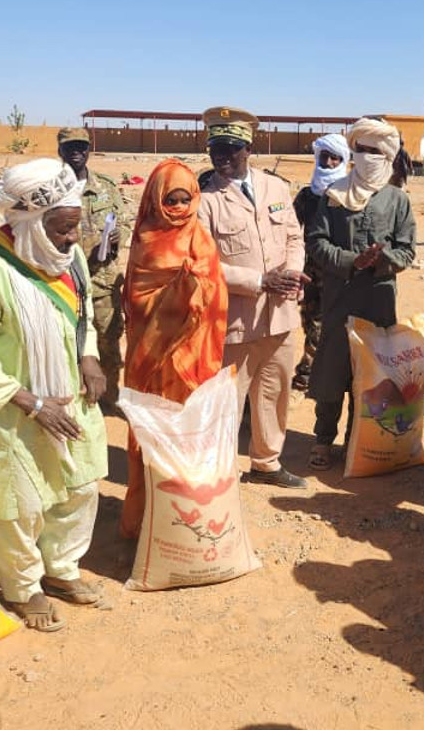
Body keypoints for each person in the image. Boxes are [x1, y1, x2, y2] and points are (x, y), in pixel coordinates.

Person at [0, 158, 108, 633]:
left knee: (79, 486)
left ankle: (61, 570)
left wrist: (89, 356)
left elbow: (80, 318)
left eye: (76, 227)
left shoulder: (70, 258)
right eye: (63, 229)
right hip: (12, 408)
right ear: (32, 221)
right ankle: (24, 587)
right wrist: (33, 404)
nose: (73, 239)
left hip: (69, 397)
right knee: (20, 503)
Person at [198, 106, 307, 489]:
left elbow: (294, 236)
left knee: (275, 393)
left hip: (280, 316)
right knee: (227, 400)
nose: (221, 157)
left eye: (230, 148)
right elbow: (204, 264)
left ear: (248, 147)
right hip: (236, 320)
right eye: (215, 149)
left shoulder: (276, 187)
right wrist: (260, 280)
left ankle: (267, 463)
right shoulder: (205, 199)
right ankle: (220, 472)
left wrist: (292, 272)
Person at [119, 159, 228, 538]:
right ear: (155, 199)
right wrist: (177, 293)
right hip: (151, 361)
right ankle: (148, 525)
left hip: (191, 362)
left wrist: (195, 288)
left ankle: (187, 524)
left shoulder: (201, 237)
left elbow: (215, 292)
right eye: (171, 199)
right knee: (152, 438)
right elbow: (135, 297)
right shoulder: (145, 237)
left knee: (189, 437)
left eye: (186, 199)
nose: (179, 207)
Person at [305, 118, 416, 469]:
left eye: (373, 152)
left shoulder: (398, 201)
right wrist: (353, 261)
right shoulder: (335, 195)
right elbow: (317, 243)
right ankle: (323, 439)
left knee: (371, 377)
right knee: (331, 372)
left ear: (386, 156)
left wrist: (381, 260)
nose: (366, 157)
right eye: (360, 150)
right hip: (340, 300)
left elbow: (407, 251)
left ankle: (360, 439)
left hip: (378, 303)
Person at [58, 127, 130, 412]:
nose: (76, 151)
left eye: (81, 146)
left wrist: (117, 237)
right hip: (62, 281)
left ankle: (108, 399)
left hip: (102, 282)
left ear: (89, 149)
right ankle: (73, 401)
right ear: (60, 150)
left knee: (108, 343)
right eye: (70, 146)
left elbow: (123, 223)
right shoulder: (51, 188)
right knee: (65, 345)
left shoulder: (106, 187)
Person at [292, 134, 350, 391]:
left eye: (334, 157)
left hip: (339, 269)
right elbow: (291, 229)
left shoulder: (350, 195)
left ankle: (309, 371)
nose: (327, 162)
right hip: (309, 270)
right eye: (323, 156)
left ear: (343, 160)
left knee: (330, 321)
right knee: (310, 317)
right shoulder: (307, 195)